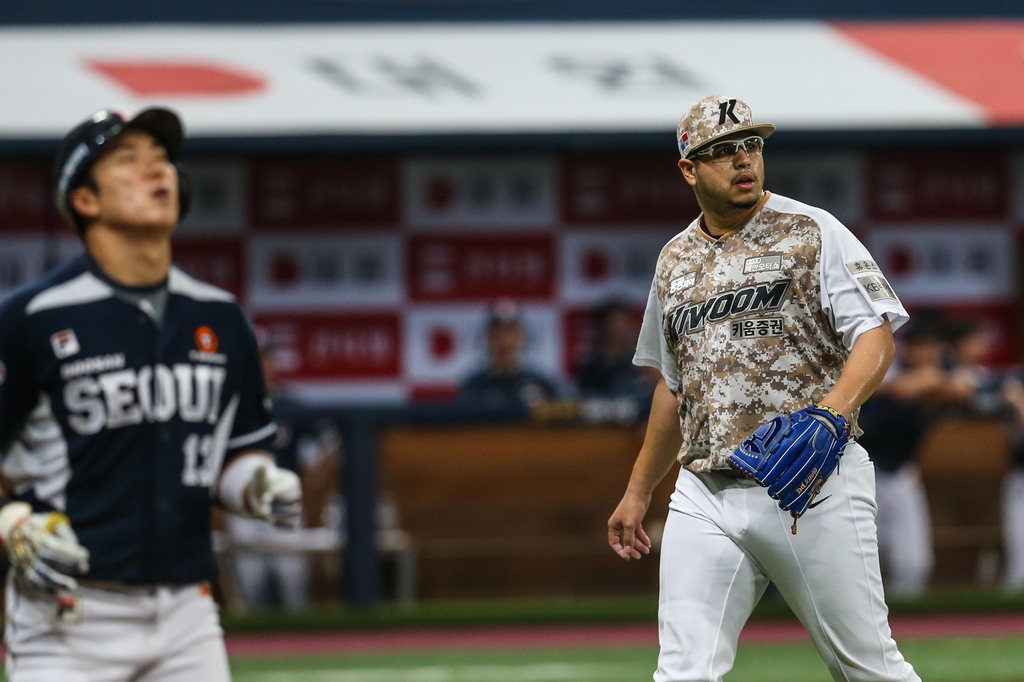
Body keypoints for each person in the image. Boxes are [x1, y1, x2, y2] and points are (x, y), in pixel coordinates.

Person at [607, 95, 920, 682]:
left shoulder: (811, 229)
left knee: (867, 667)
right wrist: (637, 489)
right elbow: (674, 387)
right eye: (722, 152)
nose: (743, 160)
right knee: (683, 672)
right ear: (688, 168)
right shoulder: (674, 260)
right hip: (703, 490)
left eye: (750, 145)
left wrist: (831, 413)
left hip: (811, 481)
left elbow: (875, 338)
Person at [0, 108, 302, 681]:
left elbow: (234, 455)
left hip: (187, 609)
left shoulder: (221, 316)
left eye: (162, 158)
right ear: (84, 201)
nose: (156, 171)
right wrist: (12, 520)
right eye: (129, 161)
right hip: (70, 613)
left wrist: (256, 483)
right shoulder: (31, 318)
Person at [859, 319, 965, 597]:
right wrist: (927, 380)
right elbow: (902, 388)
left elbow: (961, 389)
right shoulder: (886, 364)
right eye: (925, 347)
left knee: (914, 562)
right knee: (861, 558)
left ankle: (907, 624)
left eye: (934, 348)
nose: (930, 353)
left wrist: (934, 381)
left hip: (900, 472)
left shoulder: (941, 373)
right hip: (862, 470)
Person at [223, 330, 310, 610]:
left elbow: (323, 452)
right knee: (250, 585)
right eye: (254, 359)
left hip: (283, 501)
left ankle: (301, 646)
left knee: (292, 579)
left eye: (265, 359)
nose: (260, 366)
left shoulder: (291, 406)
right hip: (242, 505)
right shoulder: (229, 408)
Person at [459, 298, 558, 408]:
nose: (504, 341)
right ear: (487, 338)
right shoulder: (475, 386)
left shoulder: (541, 384)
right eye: (497, 334)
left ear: (522, 337)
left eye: (510, 333)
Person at [576, 300, 658, 407]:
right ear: (604, 327)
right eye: (615, 323)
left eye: (625, 323)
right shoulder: (593, 367)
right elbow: (587, 400)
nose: (621, 330)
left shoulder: (644, 363)